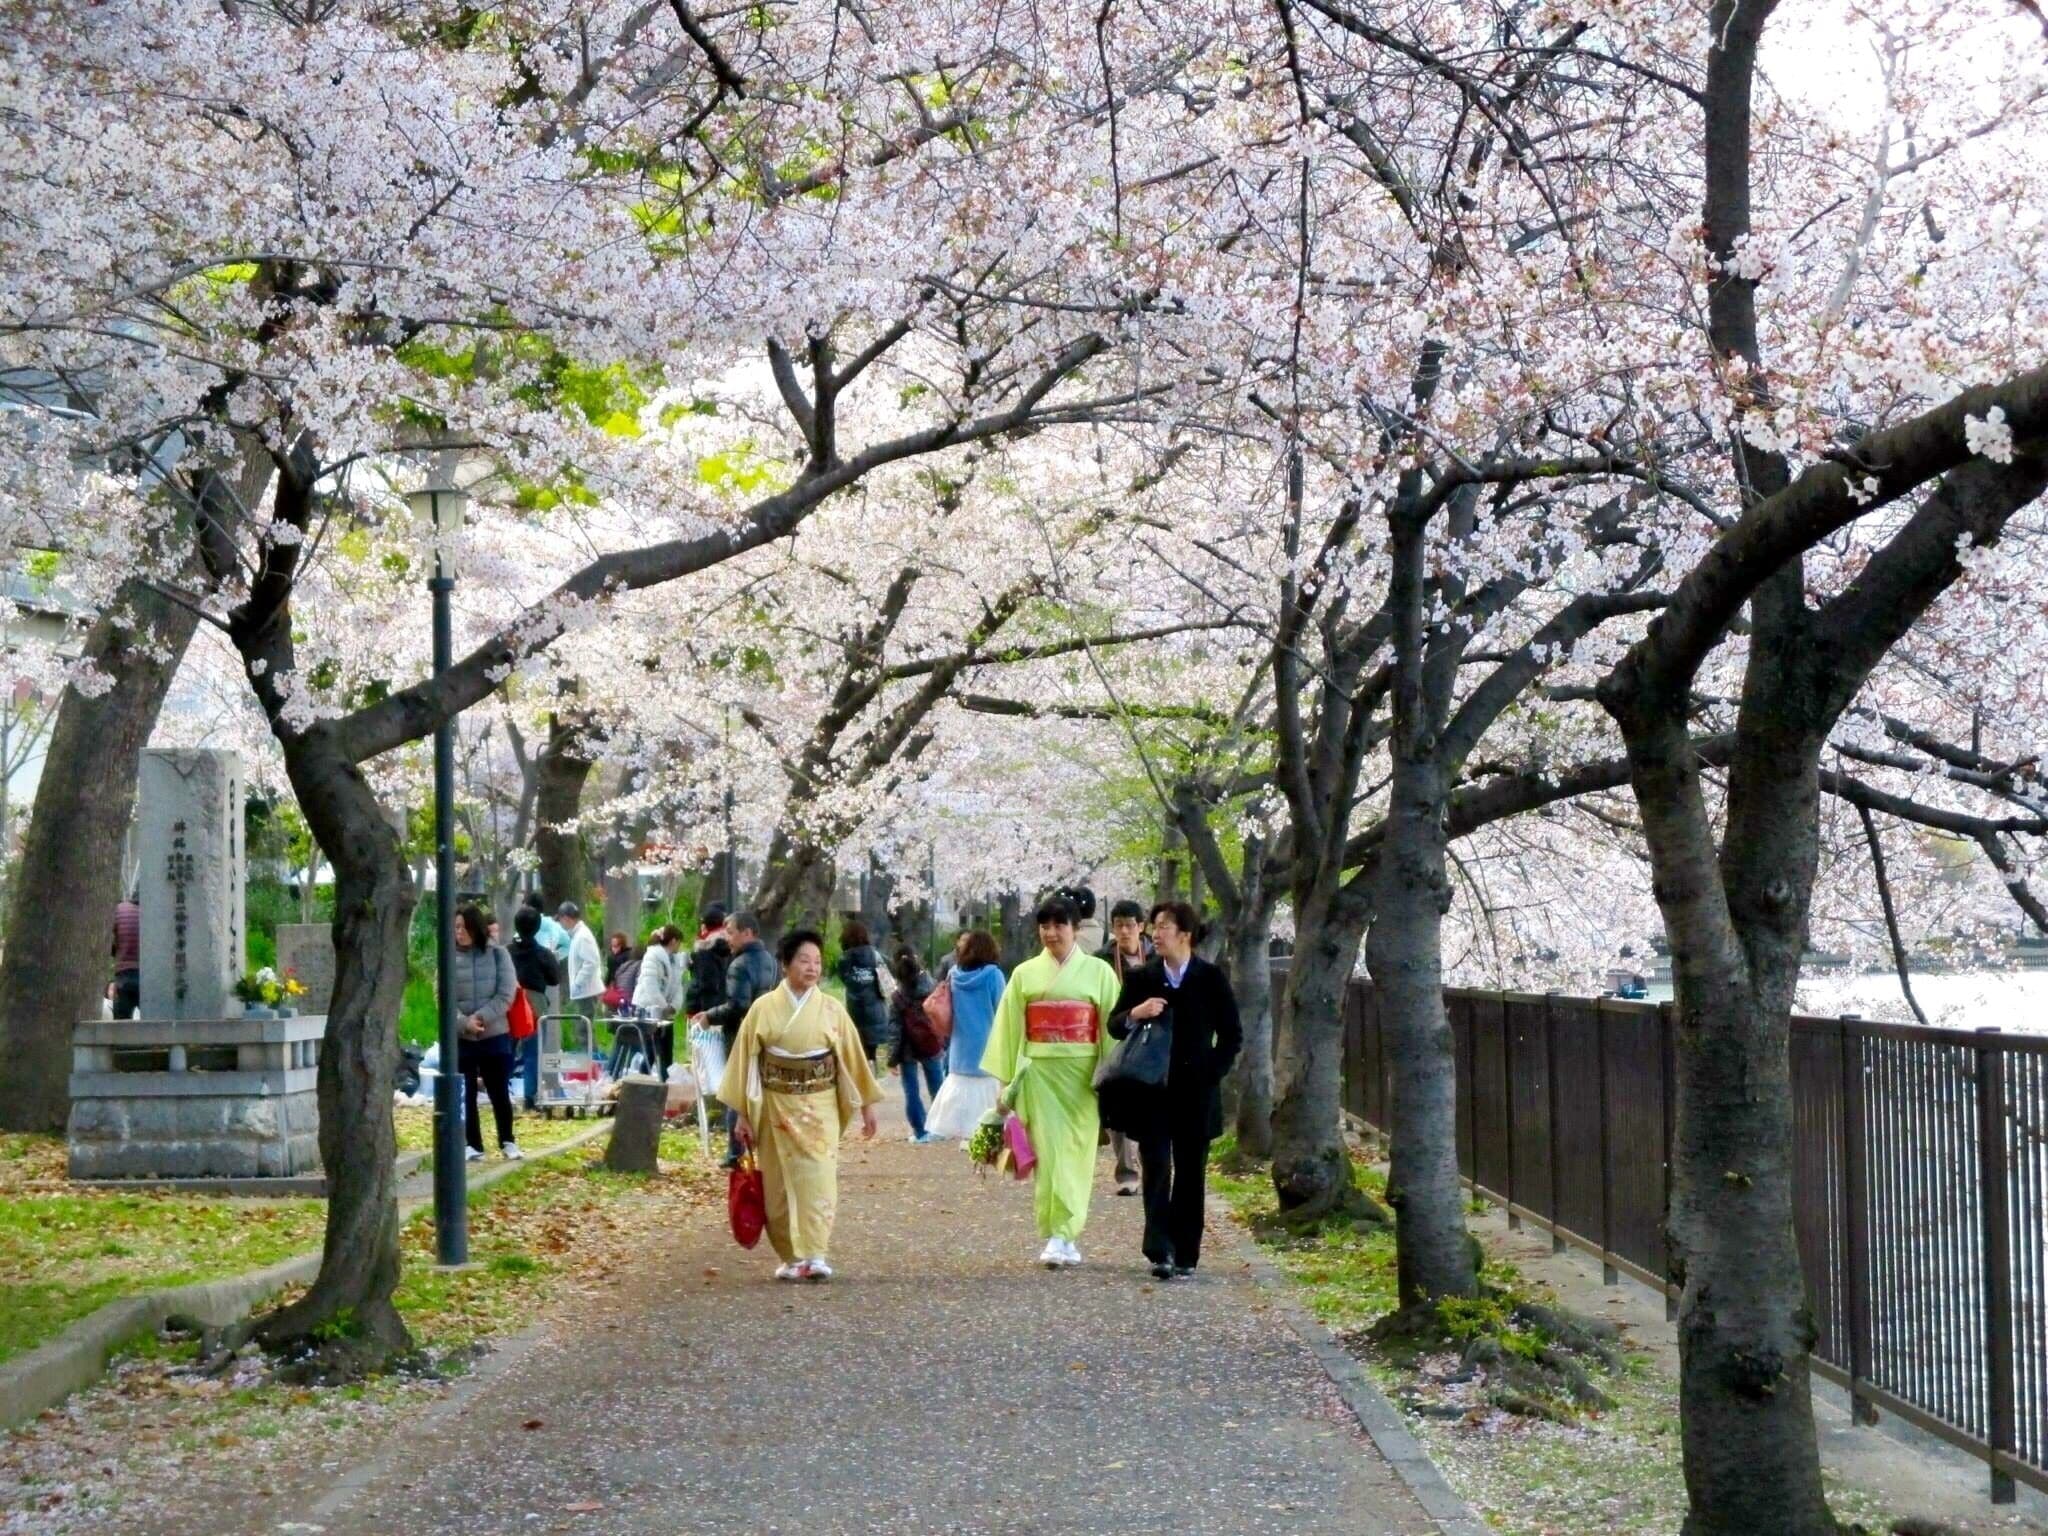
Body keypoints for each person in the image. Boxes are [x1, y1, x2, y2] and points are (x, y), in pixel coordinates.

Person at [717, 928, 883, 1282]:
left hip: (818, 1104)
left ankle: (816, 1254)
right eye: (804, 961)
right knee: (776, 1185)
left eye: (817, 962)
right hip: (775, 1104)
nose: (812, 968)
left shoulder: (832, 1010)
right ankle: (791, 1256)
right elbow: (745, 1063)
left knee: (818, 1178)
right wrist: (743, 1114)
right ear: (786, 964)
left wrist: (867, 1105)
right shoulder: (763, 1009)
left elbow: (852, 1058)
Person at [982, 894, 1123, 1269]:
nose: (1051, 933)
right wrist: (1005, 1084)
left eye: (1060, 925)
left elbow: (1111, 1029)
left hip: (1083, 1077)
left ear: (1076, 929)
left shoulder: (1100, 973)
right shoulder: (1025, 974)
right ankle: (1056, 1234)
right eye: (1044, 926)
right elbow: (1009, 1030)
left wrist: (1110, 1078)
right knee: (1050, 1154)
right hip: (1040, 1074)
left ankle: (1066, 1232)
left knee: (1076, 1154)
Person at [1107, 900, 1242, 1280]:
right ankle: (1159, 1249)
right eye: (1154, 925)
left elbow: (1232, 1035)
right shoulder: (1143, 979)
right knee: (1156, 1167)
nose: (1155, 933)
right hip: (1152, 1089)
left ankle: (1186, 1252)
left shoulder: (1211, 978)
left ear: (1185, 934)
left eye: (1163, 926)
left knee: (1190, 1172)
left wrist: (1211, 1070)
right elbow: (1114, 1026)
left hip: (1196, 1092)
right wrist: (1137, 1012)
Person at [697, 910, 779, 1167]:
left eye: (731, 932)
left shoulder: (739, 965)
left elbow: (737, 1005)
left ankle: (735, 1151)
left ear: (747, 933)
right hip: (768, 1034)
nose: (727, 937)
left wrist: (709, 1016)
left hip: (742, 1034)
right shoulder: (770, 960)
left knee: (736, 1091)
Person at [451, 903, 522, 1161]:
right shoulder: (448, 957)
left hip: (494, 1033)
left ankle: (507, 1139)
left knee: (498, 1090)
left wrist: (481, 1018)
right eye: (456, 927)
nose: (459, 932)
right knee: (465, 1092)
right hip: (462, 1038)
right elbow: (443, 998)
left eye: (464, 927)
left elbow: (506, 994)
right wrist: (463, 1023)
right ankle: (473, 1143)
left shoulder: (498, 954)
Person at [1096, 898, 1154, 1197]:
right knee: (1118, 1106)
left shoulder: (1156, 956)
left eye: (1130, 925)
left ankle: (1152, 1166)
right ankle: (1127, 1173)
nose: (1124, 931)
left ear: (1141, 927)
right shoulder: (1102, 960)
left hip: (1152, 1041)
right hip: (1116, 1037)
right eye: (1118, 925)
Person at [924, 930, 1006, 1139]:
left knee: (960, 1113)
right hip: (988, 1049)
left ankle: (965, 1139)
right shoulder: (993, 975)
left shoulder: (954, 974)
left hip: (960, 1050)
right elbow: (1003, 1011)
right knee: (989, 1116)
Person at [888, 946, 947, 1142]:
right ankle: (942, 1127)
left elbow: (895, 1029)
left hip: (906, 1048)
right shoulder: (930, 988)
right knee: (937, 1085)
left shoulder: (897, 997)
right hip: (930, 1043)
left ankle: (920, 1131)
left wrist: (892, 1058)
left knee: (911, 1090)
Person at [506, 906, 560, 1109]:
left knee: (507, 1051)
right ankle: (530, 1096)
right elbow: (554, 979)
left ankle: (504, 1092)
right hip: (535, 1004)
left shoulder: (506, 952)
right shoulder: (543, 954)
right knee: (532, 1052)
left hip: (510, 1002)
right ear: (537, 927)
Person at [621, 923, 683, 1077]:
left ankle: (665, 1082)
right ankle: (642, 1080)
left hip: (665, 1012)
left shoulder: (675, 961)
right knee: (650, 1051)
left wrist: (673, 1006)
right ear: (674, 941)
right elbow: (650, 985)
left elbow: (678, 986)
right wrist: (663, 1006)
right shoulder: (652, 956)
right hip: (647, 1008)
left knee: (666, 1050)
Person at [835, 921, 889, 1062]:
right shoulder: (875, 955)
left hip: (855, 1011)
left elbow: (844, 979)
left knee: (857, 1052)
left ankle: (859, 1079)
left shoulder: (844, 959)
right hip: (875, 1011)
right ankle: (871, 1077)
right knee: (871, 1054)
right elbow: (886, 982)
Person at [108, 891, 141, 1020]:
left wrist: (117, 951)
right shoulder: (154, 913)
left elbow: (108, 943)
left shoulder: (119, 910)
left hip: (124, 974)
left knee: (121, 1022)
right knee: (155, 1023)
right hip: (148, 976)